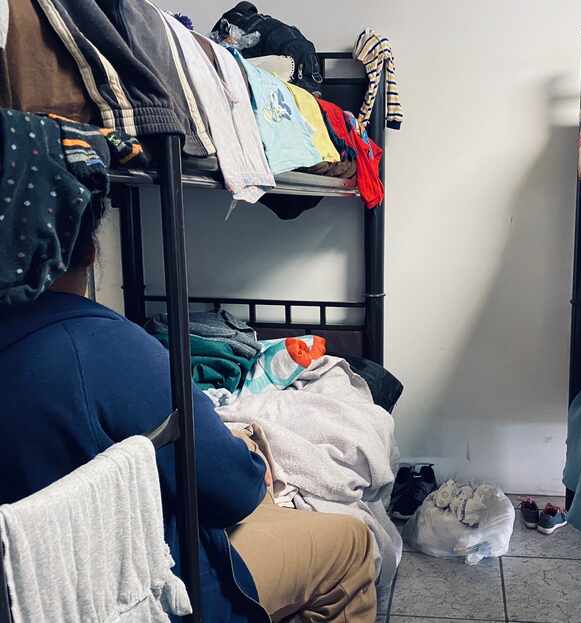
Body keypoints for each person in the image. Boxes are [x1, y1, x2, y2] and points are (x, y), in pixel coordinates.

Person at [0, 151, 377, 620]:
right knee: (351, 543)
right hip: (146, 594)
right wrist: (249, 460)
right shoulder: (104, 346)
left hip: (26, 596)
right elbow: (232, 495)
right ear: (93, 251)